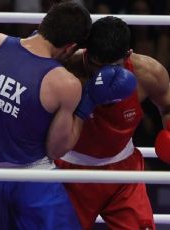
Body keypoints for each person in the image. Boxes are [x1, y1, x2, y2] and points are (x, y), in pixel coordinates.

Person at [0, 1, 136, 229]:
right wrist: (87, 102)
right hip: (34, 180)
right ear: (71, 47)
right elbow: (56, 149)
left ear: (43, 23)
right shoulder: (64, 83)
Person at [55, 16, 170, 230]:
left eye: (110, 69)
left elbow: (167, 106)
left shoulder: (149, 74)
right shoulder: (64, 70)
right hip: (70, 171)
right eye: (94, 66)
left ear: (128, 55)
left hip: (124, 174)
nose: (101, 76)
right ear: (86, 50)